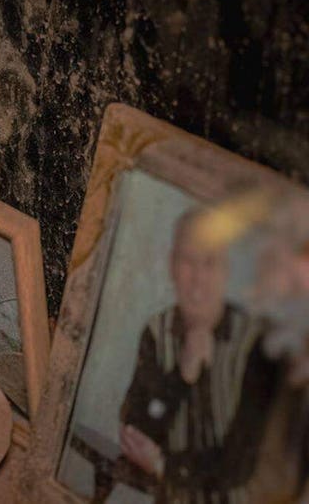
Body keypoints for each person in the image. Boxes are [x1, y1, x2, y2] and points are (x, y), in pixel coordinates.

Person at [118, 209, 278, 503]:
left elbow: (242, 462)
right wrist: (182, 375)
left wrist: (164, 465)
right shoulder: (157, 332)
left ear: (225, 271)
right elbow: (137, 427)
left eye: (209, 262)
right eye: (188, 261)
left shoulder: (254, 343)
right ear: (171, 266)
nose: (198, 279)